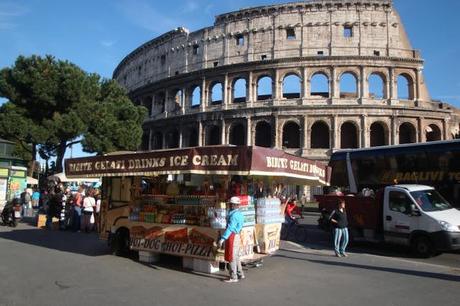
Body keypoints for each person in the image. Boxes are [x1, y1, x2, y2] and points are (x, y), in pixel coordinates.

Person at [217, 196, 245, 283]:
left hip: (232, 236)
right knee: (236, 256)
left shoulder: (234, 215)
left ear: (235, 205)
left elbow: (230, 228)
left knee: (231, 256)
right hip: (236, 235)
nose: (230, 205)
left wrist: (222, 239)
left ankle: (233, 276)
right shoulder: (238, 213)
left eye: (232, 204)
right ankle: (240, 273)